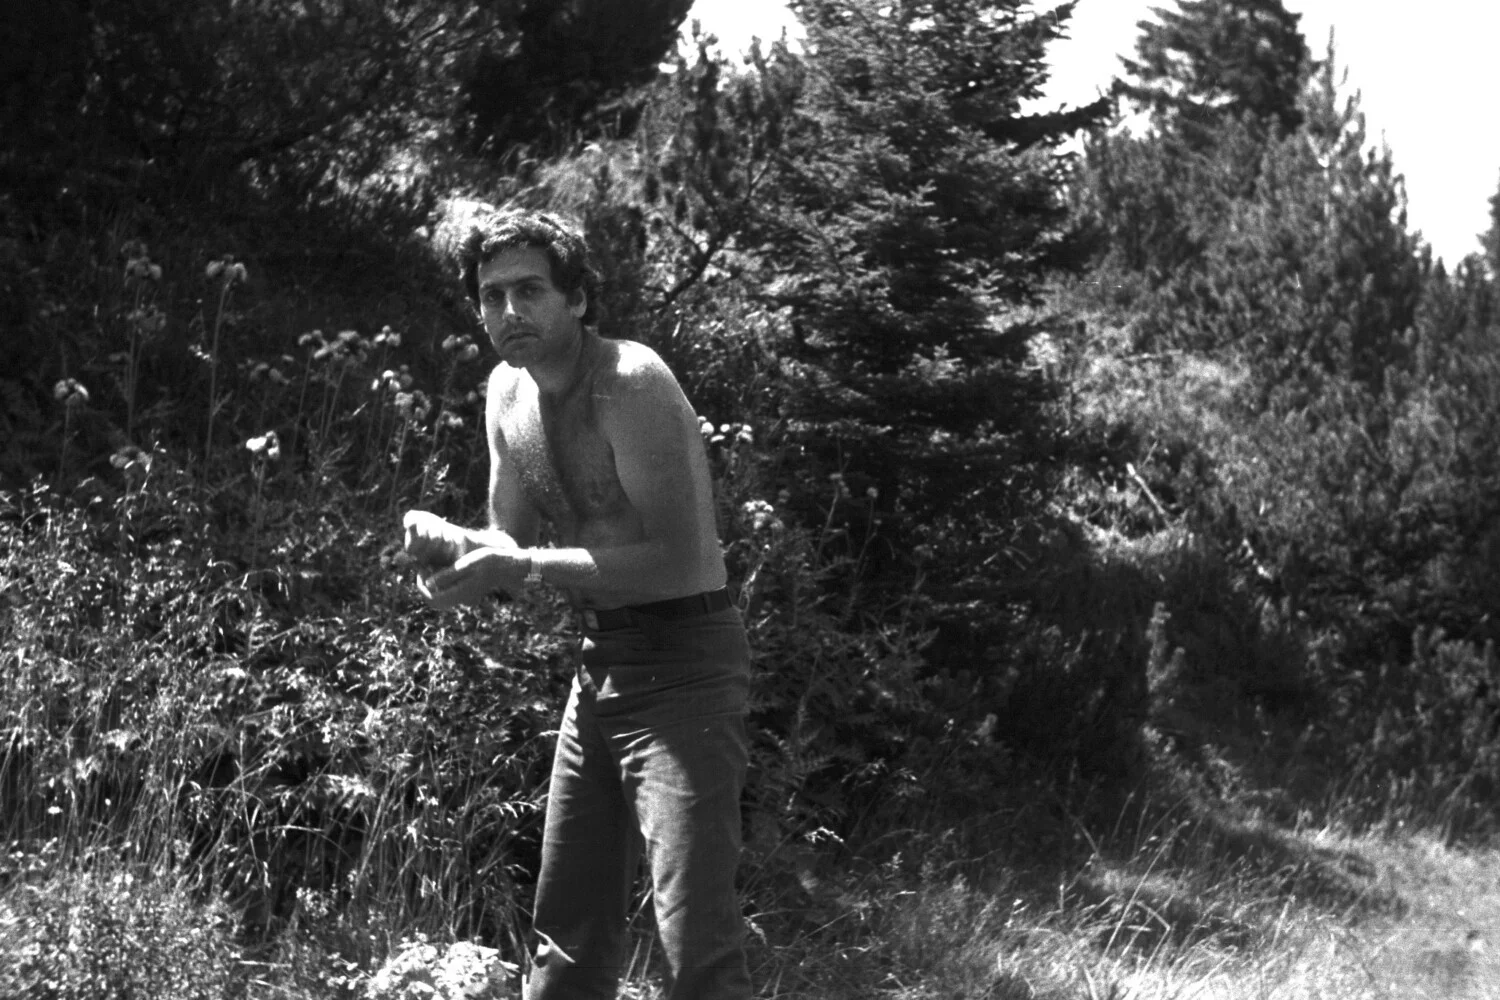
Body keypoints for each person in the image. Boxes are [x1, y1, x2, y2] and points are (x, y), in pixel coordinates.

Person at [402, 208, 753, 1000]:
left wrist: (520, 565)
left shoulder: (629, 381)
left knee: (695, 946)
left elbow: (675, 558)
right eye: (491, 296)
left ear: (579, 299)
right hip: (600, 668)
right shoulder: (506, 392)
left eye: (530, 290)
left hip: (687, 664)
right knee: (567, 937)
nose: (509, 311)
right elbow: (511, 539)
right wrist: (452, 546)